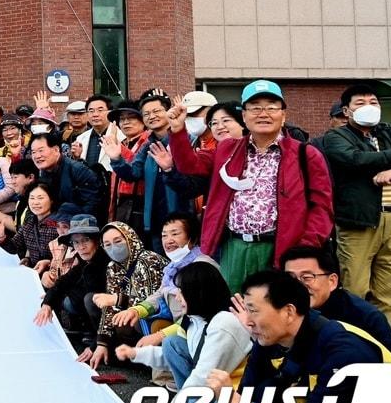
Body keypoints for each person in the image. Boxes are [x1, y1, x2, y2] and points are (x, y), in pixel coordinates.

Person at [214, 269, 391, 403]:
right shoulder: (269, 337)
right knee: (263, 392)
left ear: (288, 312)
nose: (247, 321)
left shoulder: (344, 351)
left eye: (254, 311)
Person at [168, 79, 334, 292]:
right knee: (233, 308)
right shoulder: (228, 149)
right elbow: (190, 165)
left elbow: (322, 207)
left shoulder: (306, 154)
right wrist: (178, 130)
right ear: (244, 116)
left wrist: (303, 248)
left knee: (274, 311)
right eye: (255, 108)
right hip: (234, 246)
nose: (263, 113)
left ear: (283, 115)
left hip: (280, 248)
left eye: (271, 107)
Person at [115, 261, 250, 403]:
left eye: (181, 291)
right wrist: (136, 354)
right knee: (172, 343)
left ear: (199, 293)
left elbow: (201, 376)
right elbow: (171, 357)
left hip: (237, 395)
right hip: (215, 389)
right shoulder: (194, 320)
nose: (177, 297)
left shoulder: (223, 323)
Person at [318, 83, 391, 327]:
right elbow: (352, 159)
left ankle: (385, 352)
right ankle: (352, 349)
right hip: (358, 223)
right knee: (354, 292)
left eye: (373, 102)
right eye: (360, 103)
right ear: (346, 111)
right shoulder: (336, 136)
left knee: (389, 294)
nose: (369, 107)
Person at [104, 92, 203, 251]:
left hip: (181, 217)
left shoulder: (187, 139)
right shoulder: (148, 144)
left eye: (157, 111)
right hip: (155, 220)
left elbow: (192, 181)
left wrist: (169, 169)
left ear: (168, 111)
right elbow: (133, 174)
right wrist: (117, 159)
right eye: (146, 114)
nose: (152, 116)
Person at [280, 244, 391, 360]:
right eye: (290, 278)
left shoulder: (366, 317)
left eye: (307, 277)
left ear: (332, 281)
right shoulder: (274, 310)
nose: (297, 286)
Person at [77, 221, 165, 369]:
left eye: (118, 241)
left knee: (133, 318)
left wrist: (118, 299)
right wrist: (101, 343)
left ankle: (148, 358)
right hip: (130, 313)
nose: (113, 248)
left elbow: (151, 304)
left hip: (157, 319)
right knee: (94, 301)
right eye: (107, 244)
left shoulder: (148, 260)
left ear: (130, 238)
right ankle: (119, 351)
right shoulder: (113, 266)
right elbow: (110, 306)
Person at [113, 211, 215, 331]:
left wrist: (163, 335)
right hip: (179, 325)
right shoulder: (173, 267)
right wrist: (136, 310)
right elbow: (159, 294)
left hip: (198, 329)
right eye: (164, 235)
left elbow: (199, 314)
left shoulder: (202, 266)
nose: (168, 240)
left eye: (175, 234)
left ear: (192, 238)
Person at [35, 214, 109, 361]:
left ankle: (99, 337)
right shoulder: (83, 261)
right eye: (76, 242)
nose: (81, 247)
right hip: (98, 318)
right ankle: (89, 330)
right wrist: (47, 304)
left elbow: (112, 310)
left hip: (117, 321)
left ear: (97, 241)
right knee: (65, 295)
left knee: (90, 298)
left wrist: (97, 344)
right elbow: (64, 281)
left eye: (86, 240)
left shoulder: (107, 263)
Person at [29, 131, 104, 220]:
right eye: (33, 152)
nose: (37, 156)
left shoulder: (78, 170)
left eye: (41, 150)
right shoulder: (43, 173)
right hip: (54, 223)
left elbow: (92, 206)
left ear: (56, 150)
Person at [0, 180, 62, 270]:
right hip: (35, 273)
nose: (35, 202)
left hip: (54, 274)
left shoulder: (60, 223)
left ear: (51, 200)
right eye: (32, 198)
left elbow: (68, 255)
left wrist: (49, 264)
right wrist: (1, 236)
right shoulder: (29, 221)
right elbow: (14, 247)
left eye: (40, 198)